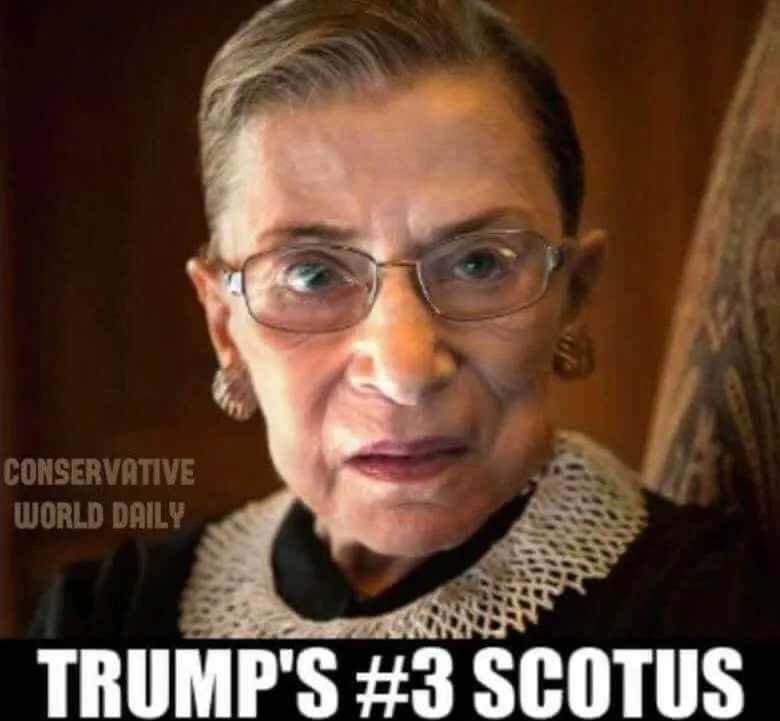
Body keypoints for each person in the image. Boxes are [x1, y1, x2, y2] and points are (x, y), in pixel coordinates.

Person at [28, 0, 780, 640]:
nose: (405, 371)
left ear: (572, 293)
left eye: (478, 263)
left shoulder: (717, 616)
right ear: (225, 324)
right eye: (312, 275)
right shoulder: (104, 621)